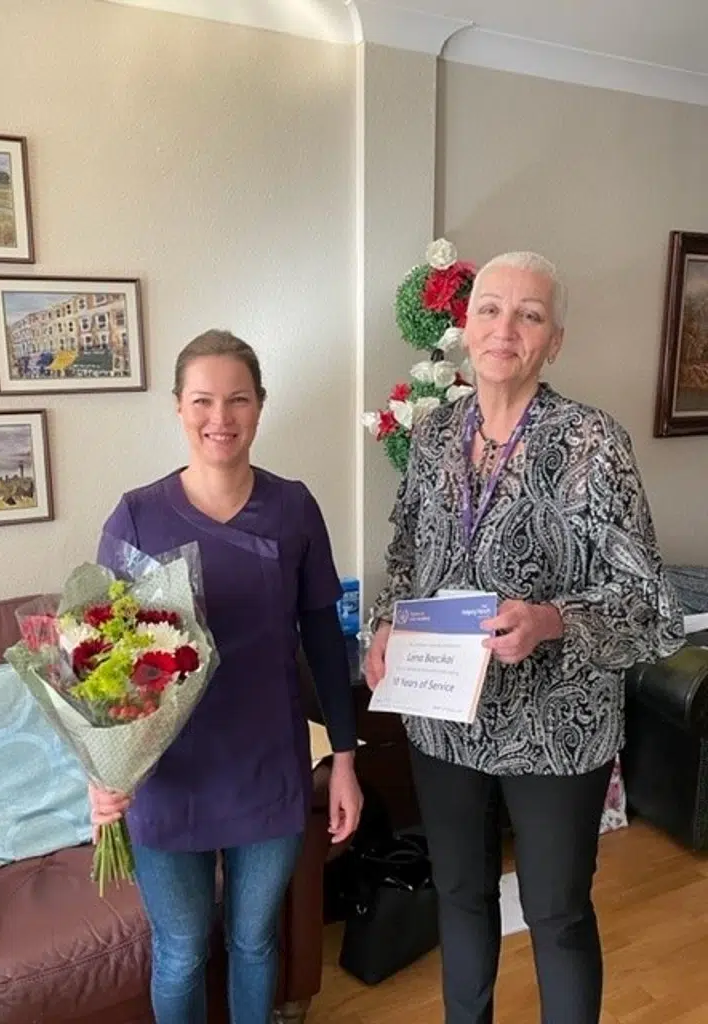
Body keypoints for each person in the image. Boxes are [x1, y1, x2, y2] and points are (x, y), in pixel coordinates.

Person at [364, 252, 685, 1024]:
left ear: (555, 341)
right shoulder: (436, 436)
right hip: (442, 714)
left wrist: (552, 620)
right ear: (465, 326)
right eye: (489, 310)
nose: (504, 328)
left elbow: (651, 605)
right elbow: (405, 556)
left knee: (557, 912)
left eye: (528, 315)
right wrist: (381, 626)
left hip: (556, 727)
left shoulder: (591, 443)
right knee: (461, 896)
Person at [90, 329, 363, 1024]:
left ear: (260, 407)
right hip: (168, 774)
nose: (221, 418)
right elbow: (100, 660)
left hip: (268, 765)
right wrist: (102, 774)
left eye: (238, 399)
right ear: (178, 408)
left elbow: (326, 643)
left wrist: (347, 759)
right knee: (180, 950)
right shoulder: (137, 516)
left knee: (253, 940)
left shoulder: (294, 506)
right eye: (203, 400)